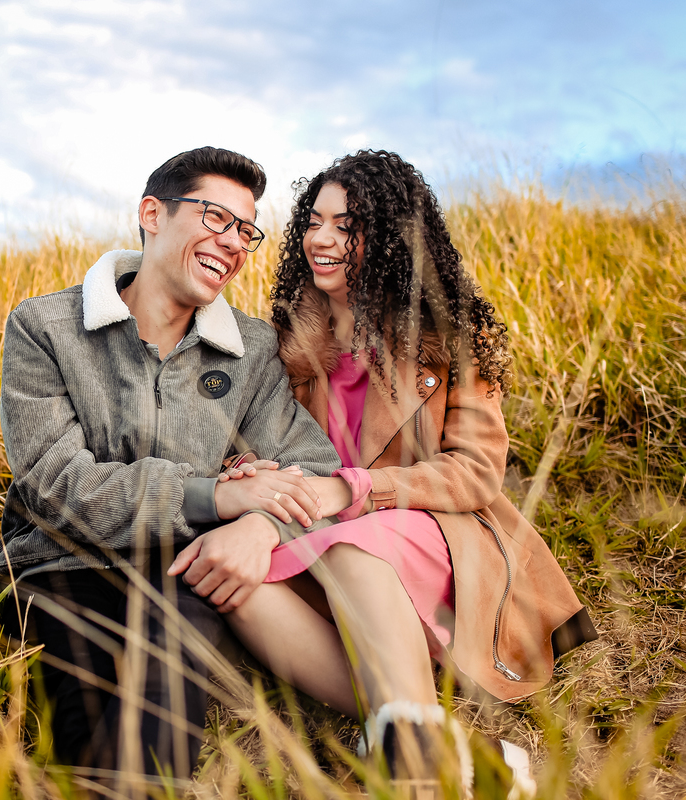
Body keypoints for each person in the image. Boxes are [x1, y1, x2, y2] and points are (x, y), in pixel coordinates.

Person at [173, 150, 598, 788]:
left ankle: (411, 771)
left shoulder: (449, 337)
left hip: (434, 536)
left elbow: (476, 471)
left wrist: (354, 488)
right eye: (314, 222)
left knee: (353, 541)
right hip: (315, 539)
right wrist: (249, 469)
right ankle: (440, 747)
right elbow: (251, 442)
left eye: (346, 227)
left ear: (394, 239)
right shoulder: (282, 344)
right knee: (232, 576)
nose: (320, 239)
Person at [0, 146, 341, 785]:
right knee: (86, 720)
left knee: (165, 702)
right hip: (63, 564)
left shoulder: (251, 348)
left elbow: (314, 466)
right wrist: (215, 496)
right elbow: (55, 482)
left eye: (246, 229)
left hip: (184, 567)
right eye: (215, 217)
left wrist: (259, 527)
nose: (233, 242)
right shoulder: (46, 328)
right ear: (153, 213)